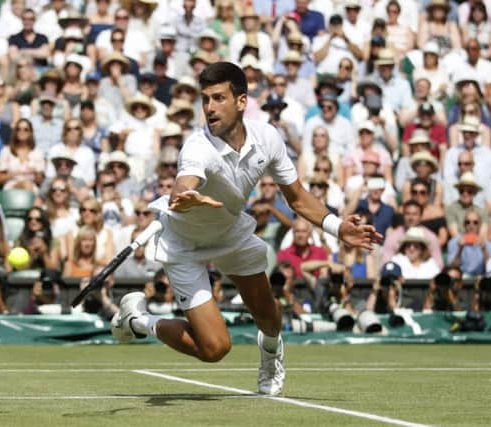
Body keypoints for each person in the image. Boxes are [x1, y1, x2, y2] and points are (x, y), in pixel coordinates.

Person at [111, 62, 380, 396]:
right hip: (184, 243)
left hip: (230, 232)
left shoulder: (267, 138)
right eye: (205, 99)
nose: (209, 108)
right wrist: (185, 198)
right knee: (214, 349)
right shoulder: (197, 147)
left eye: (218, 98)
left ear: (241, 101)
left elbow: (296, 197)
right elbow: (182, 186)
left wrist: (338, 228)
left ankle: (270, 356)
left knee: (269, 317)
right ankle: (137, 321)